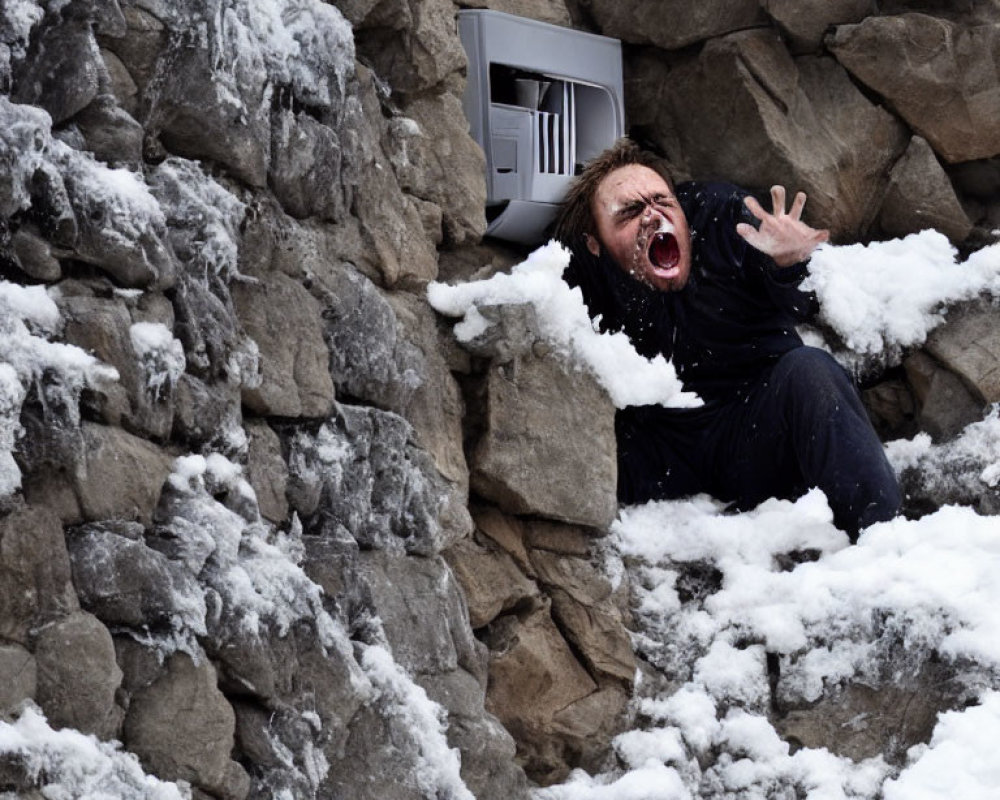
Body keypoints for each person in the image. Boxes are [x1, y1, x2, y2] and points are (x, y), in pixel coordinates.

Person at [553, 139, 900, 540]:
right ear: (595, 243)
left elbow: (803, 302)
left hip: (754, 432)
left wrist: (788, 264)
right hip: (661, 452)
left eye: (663, 202)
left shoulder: (723, 218)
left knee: (810, 370)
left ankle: (884, 541)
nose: (652, 216)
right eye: (630, 212)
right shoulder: (578, 274)